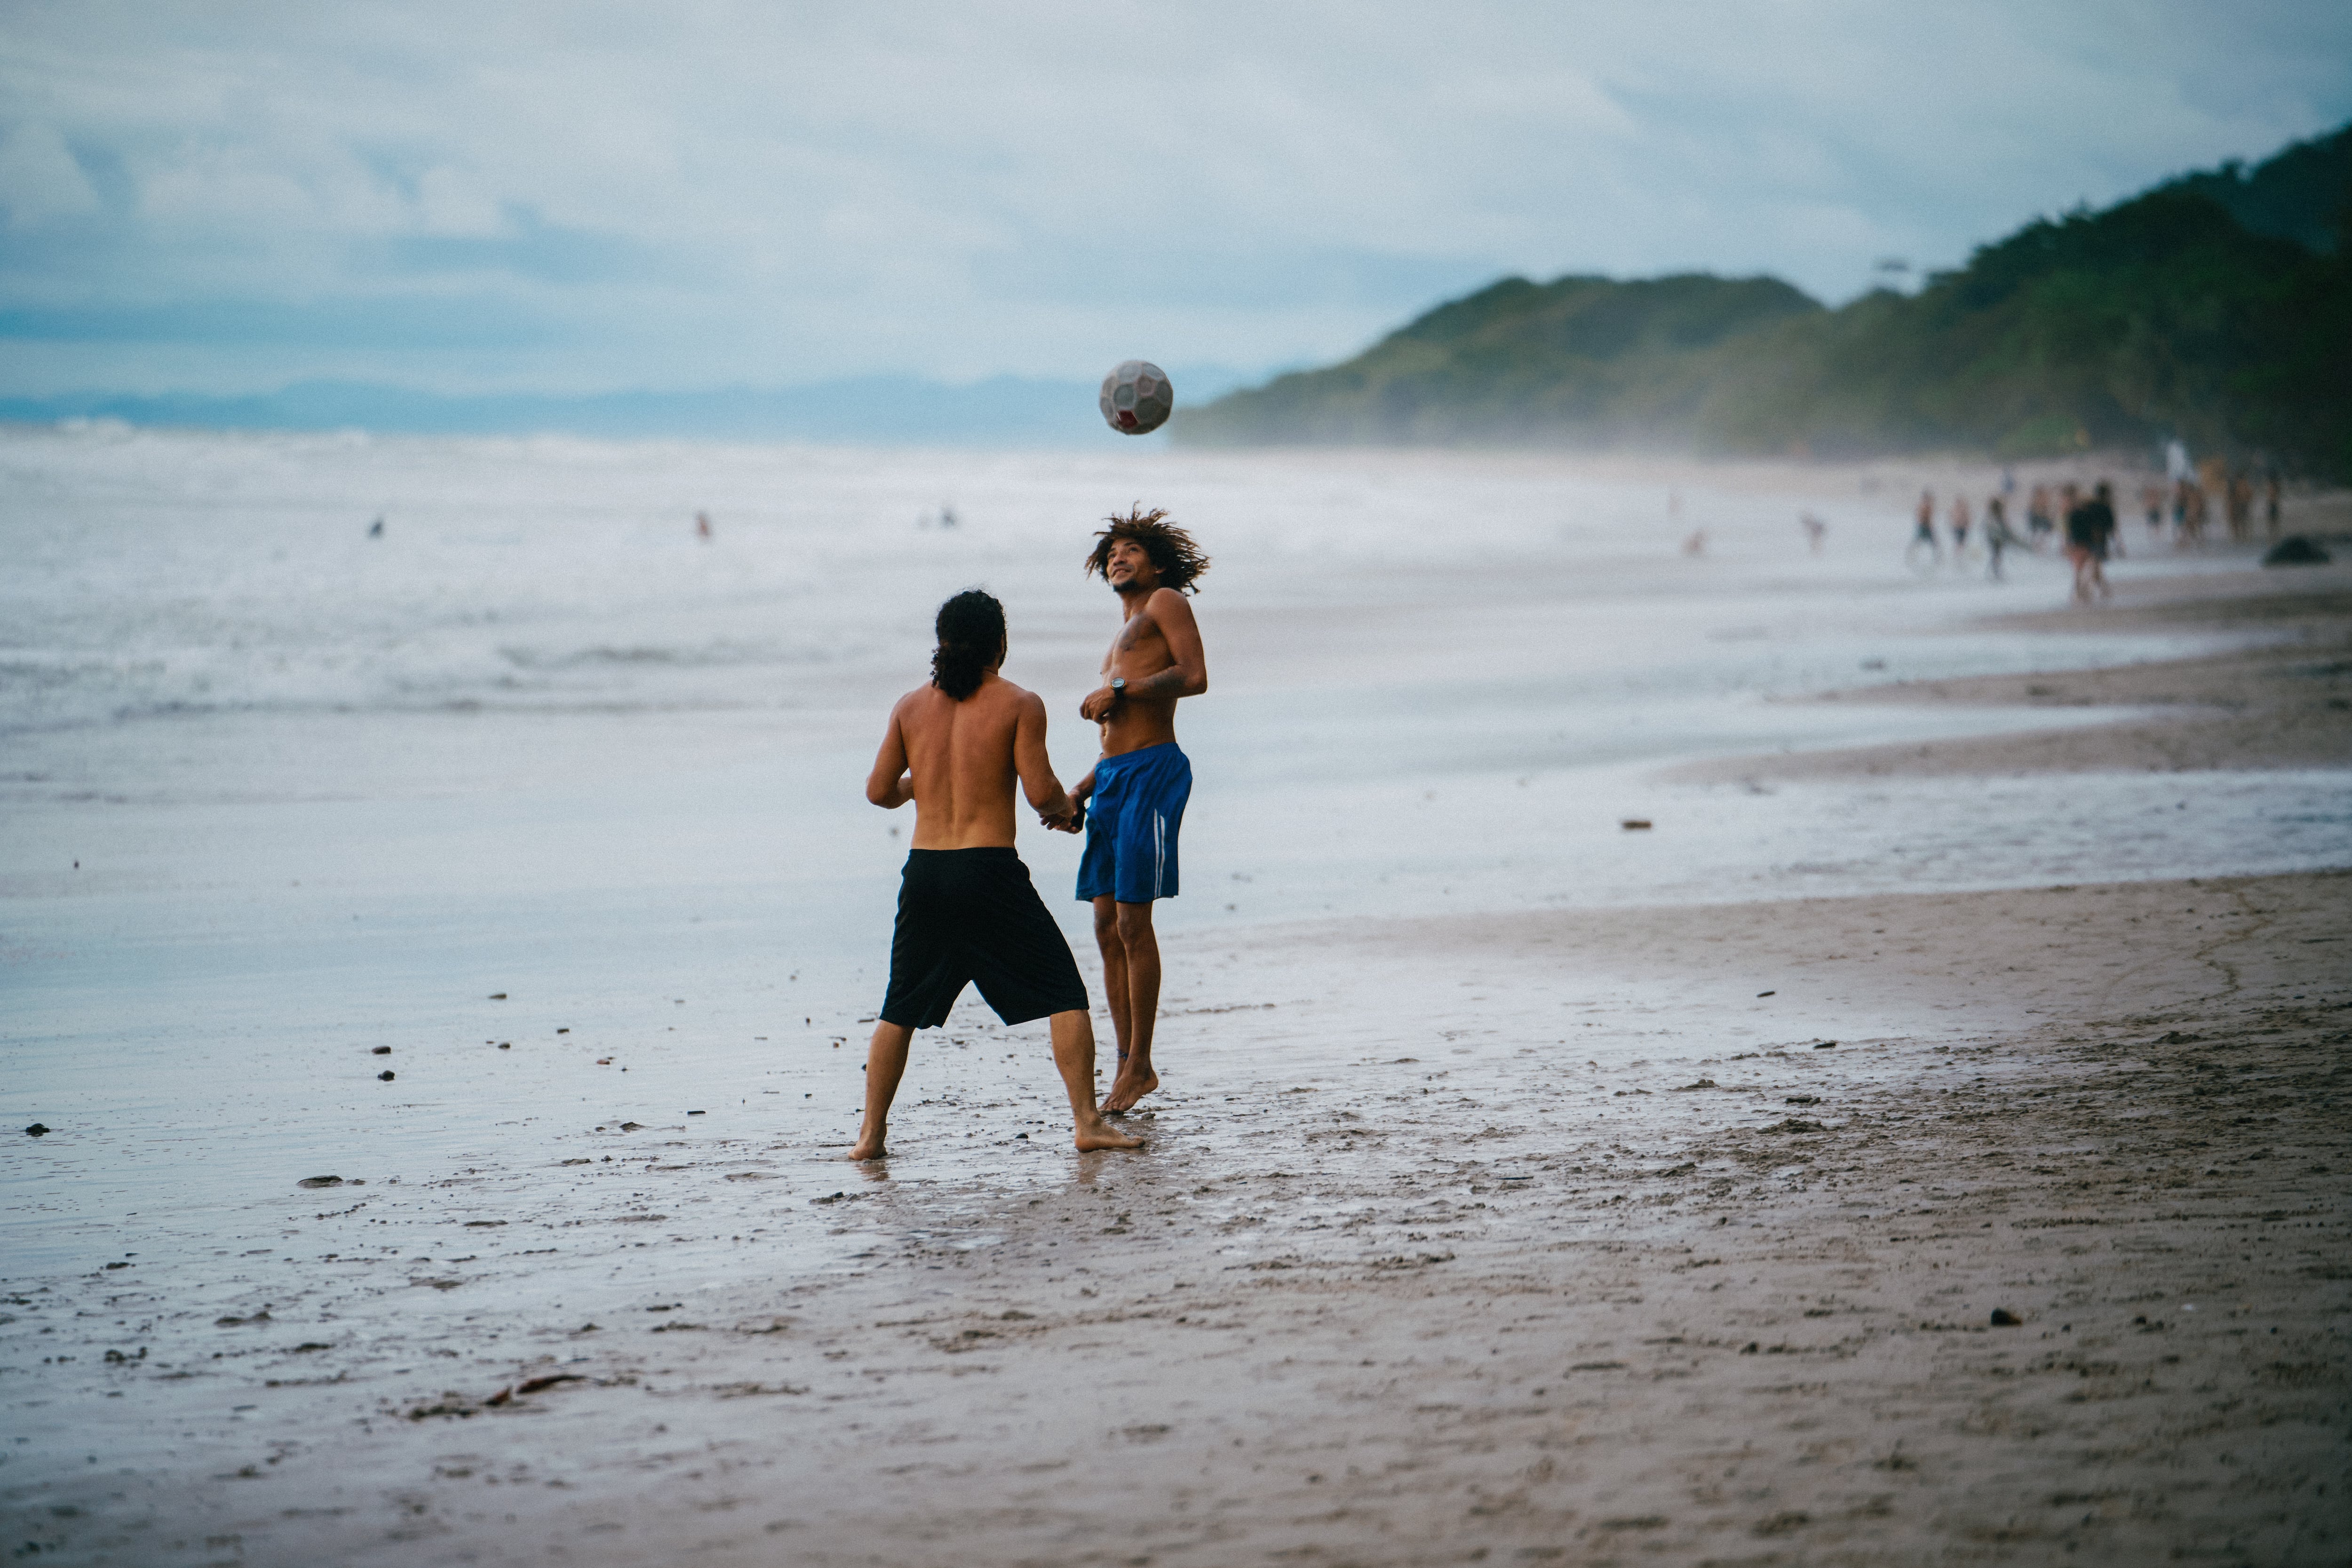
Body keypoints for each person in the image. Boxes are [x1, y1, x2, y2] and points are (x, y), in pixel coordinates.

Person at [848, 590, 1141, 1160]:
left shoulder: (909, 707)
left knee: (899, 1007)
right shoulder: (1018, 703)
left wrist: (924, 785)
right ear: (1000, 645)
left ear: (942, 645)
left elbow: (879, 791)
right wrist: (1066, 811)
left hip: (926, 872)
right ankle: (1087, 1121)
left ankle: (870, 1136)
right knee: (1063, 990)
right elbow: (1039, 792)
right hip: (988, 871)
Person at [1071, 507, 1210, 1115]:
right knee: (1105, 927)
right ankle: (1130, 1061)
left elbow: (1196, 676)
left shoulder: (1166, 603)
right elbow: (1115, 734)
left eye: (1131, 550)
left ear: (1155, 563)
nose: (1119, 558)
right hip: (1113, 781)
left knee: (1132, 923)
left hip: (1153, 774)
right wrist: (1082, 788)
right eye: (1112, 553)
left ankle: (1140, 1066)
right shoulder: (1121, 636)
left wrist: (1120, 691)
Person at [1983, 495, 2018, 580]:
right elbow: (2002, 528)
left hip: (1996, 539)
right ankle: (1995, 571)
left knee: (1997, 555)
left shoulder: (1993, 517)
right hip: (1996, 539)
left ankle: (1995, 571)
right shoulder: (1996, 517)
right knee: (1997, 555)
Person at [1906, 490, 1939, 569]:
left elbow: (1921, 516)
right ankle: (1911, 556)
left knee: (1930, 542)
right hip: (1924, 526)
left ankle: (1937, 558)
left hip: (1924, 526)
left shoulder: (1925, 505)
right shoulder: (1924, 505)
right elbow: (1922, 517)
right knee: (1921, 541)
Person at [1947, 493, 1972, 559]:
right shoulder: (1955, 509)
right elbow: (1951, 518)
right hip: (1957, 528)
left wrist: (1968, 525)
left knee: (1962, 543)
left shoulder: (1963, 509)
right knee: (1959, 543)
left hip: (1962, 528)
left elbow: (1967, 518)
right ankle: (1957, 556)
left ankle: (1960, 556)